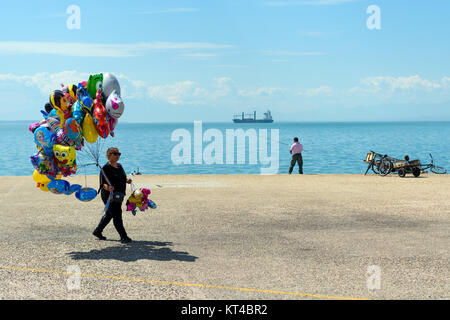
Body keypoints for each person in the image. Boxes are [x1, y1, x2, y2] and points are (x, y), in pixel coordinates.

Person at [93, 147, 133, 243]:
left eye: (119, 154)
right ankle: (124, 236)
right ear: (109, 155)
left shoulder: (119, 166)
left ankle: (98, 231)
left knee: (110, 214)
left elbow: (122, 177)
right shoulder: (105, 168)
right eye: (115, 154)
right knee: (117, 215)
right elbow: (103, 184)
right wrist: (108, 188)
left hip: (119, 195)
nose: (117, 156)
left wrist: (127, 180)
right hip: (109, 196)